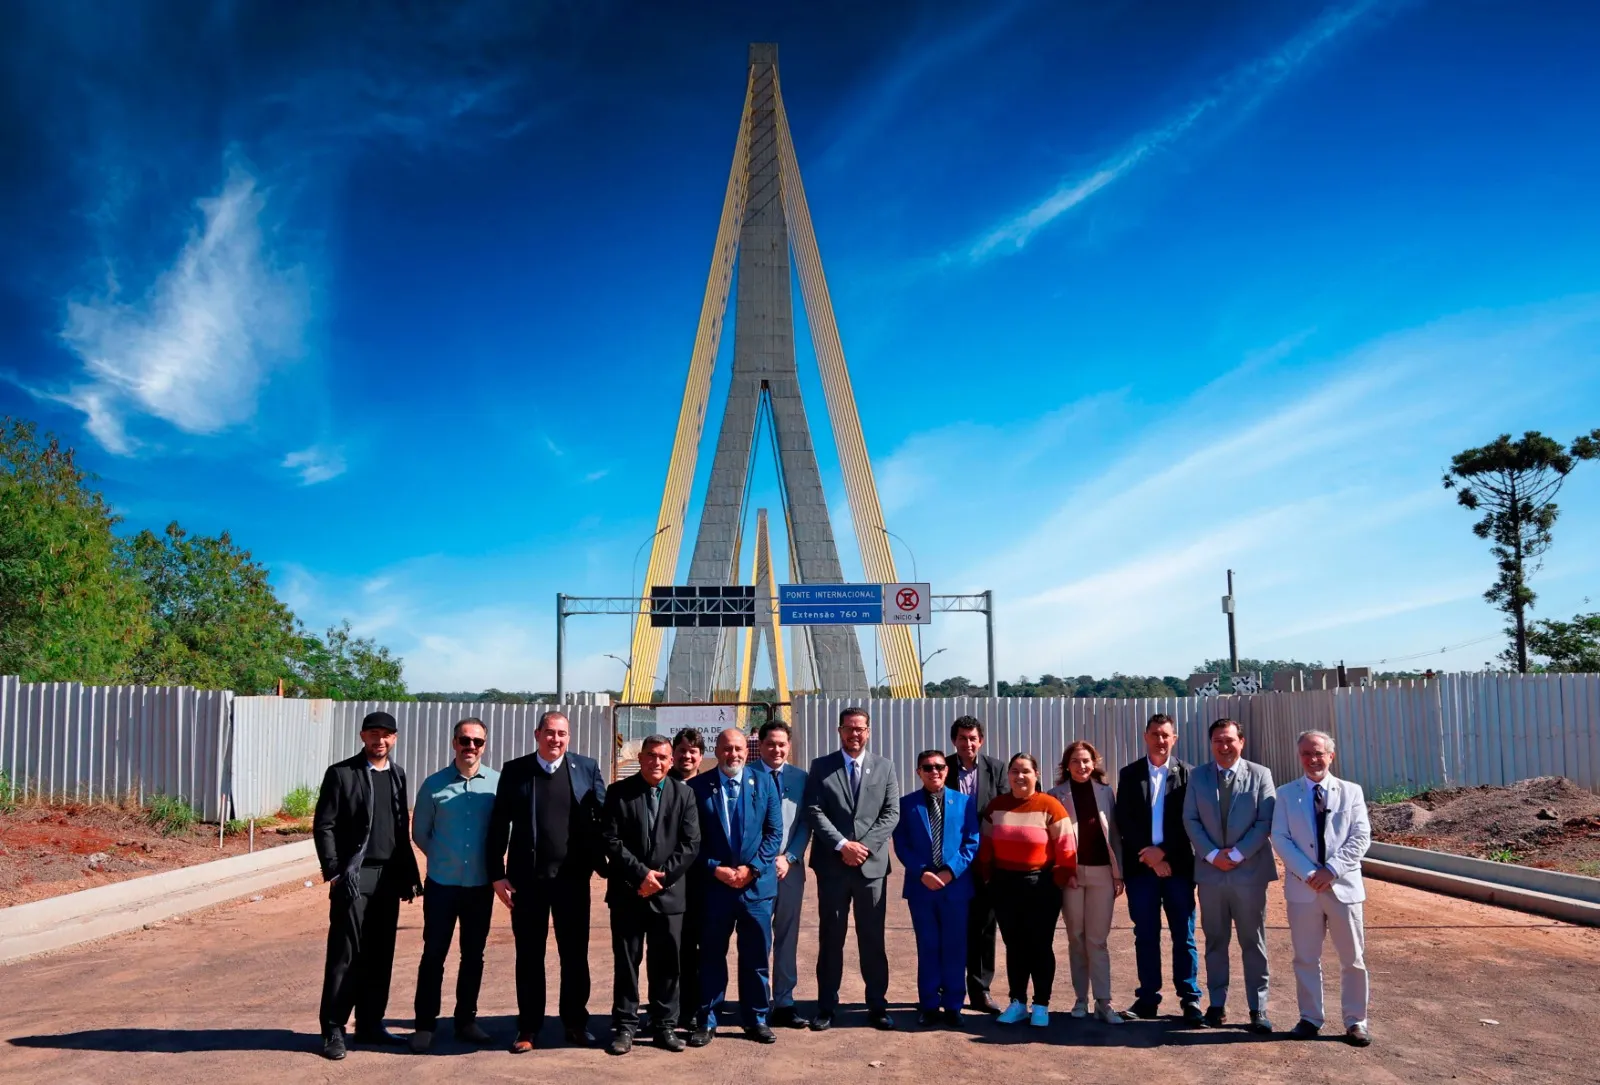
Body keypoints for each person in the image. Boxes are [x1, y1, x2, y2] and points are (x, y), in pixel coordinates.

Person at [486, 711, 609, 1053]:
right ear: (537, 734)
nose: (556, 739)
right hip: (527, 882)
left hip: (572, 881)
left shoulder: (586, 768)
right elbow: (499, 825)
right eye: (550, 733)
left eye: (563, 734)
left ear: (569, 737)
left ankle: (575, 1023)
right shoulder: (516, 771)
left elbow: (603, 818)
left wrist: (610, 863)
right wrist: (496, 873)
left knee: (574, 956)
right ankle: (528, 1028)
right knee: (529, 956)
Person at [312, 710, 424, 1060]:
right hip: (355, 876)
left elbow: (399, 830)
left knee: (380, 955)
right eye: (374, 734)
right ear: (363, 737)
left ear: (395, 738)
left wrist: (409, 875)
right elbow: (324, 825)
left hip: (389, 878)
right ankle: (333, 1029)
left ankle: (371, 1024)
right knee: (345, 954)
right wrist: (334, 871)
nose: (380, 740)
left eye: (387, 734)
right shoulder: (342, 774)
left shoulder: (398, 775)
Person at [1270, 730, 1372, 1047]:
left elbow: (1361, 837)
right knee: (1305, 958)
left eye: (1319, 753)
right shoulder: (1286, 795)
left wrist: (1332, 870)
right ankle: (1310, 1017)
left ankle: (1356, 1022)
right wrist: (1309, 873)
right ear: (1299, 756)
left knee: (1352, 959)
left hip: (1343, 887)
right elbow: (1280, 838)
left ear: (1331, 756)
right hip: (1304, 890)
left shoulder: (1351, 792)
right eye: (1306, 754)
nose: (1313, 759)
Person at [600, 734, 701, 1055]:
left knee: (668, 964)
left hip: (669, 896)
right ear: (640, 758)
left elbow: (690, 844)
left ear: (671, 762)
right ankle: (626, 1027)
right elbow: (611, 841)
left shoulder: (684, 795)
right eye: (650, 756)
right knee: (627, 963)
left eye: (662, 757)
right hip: (628, 894)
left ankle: (664, 1026)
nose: (656, 762)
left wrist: (661, 877)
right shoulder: (618, 793)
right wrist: (641, 874)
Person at [804, 706, 901, 1031]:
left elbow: (891, 813)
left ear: (868, 731)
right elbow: (814, 811)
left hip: (870, 868)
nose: (854, 734)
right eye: (848, 728)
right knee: (831, 937)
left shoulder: (885, 767)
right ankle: (826, 1007)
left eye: (860, 728)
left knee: (872, 938)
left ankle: (877, 1005)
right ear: (839, 731)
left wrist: (864, 847)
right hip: (833, 866)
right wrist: (843, 845)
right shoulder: (821, 767)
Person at [688, 728, 784, 1046]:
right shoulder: (698, 788)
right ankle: (708, 1020)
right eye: (727, 749)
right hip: (714, 889)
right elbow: (691, 840)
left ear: (748, 751)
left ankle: (756, 1018)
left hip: (755, 889)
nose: (733, 755)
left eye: (739, 749)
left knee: (756, 955)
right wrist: (715, 869)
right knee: (712, 955)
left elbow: (774, 833)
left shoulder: (765, 783)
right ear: (717, 751)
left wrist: (752, 869)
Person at [410, 717, 500, 1052]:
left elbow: (502, 831)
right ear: (454, 743)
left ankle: (466, 1021)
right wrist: (443, 857)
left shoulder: (496, 784)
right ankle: (424, 1025)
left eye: (478, 742)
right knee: (433, 954)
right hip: (442, 886)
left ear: (484, 745)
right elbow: (420, 832)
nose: (471, 747)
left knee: (473, 956)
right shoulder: (434, 785)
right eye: (465, 740)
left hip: (479, 887)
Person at [1183, 718, 1277, 1034]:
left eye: (1229, 740)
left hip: (1248, 873)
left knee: (1254, 941)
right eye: (1218, 741)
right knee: (1215, 941)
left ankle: (1258, 1009)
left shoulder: (1261, 775)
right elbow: (1191, 819)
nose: (1224, 746)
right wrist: (1212, 855)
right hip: (1211, 875)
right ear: (1211, 744)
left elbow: (1265, 821)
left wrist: (1236, 855)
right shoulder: (1198, 777)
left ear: (1242, 741)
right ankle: (1217, 1005)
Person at [1113, 713, 1202, 1024]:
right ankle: (1147, 999)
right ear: (1145, 736)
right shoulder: (1129, 774)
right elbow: (1124, 820)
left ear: (1174, 738)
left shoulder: (1190, 775)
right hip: (1141, 870)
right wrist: (1150, 857)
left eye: (1166, 735)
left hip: (1177, 869)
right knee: (1146, 935)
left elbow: (1190, 822)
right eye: (1155, 734)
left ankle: (1190, 999)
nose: (1160, 740)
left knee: (1184, 934)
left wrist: (1164, 855)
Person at [978, 752, 1076, 1028]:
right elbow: (985, 845)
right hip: (1005, 885)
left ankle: (1041, 1004)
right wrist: (987, 877)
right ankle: (1017, 1002)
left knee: (1040, 945)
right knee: (1015, 946)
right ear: (1007, 775)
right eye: (1014, 771)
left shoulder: (1050, 806)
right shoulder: (996, 806)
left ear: (1037, 775)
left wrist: (1059, 877)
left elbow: (1066, 847)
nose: (1019, 777)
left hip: (1041, 885)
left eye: (1025, 771)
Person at [891, 749, 980, 1027]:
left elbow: (971, 842)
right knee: (928, 945)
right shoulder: (907, 805)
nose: (934, 772)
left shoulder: (965, 803)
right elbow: (902, 844)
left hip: (955, 887)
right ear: (918, 772)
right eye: (927, 767)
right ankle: (929, 1004)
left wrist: (950, 871)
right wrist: (922, 872)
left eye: (939, 766)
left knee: (955, 946)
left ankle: (954, 1004)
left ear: (947, 769)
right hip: (922, 888)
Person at [1047, 740, 1125, 1024]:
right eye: (1076, 761)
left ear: (1095, 763)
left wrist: (1119, 874)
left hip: (1103, 873)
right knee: (1076, 937)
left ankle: (1103, 1002)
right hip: (1071, 874)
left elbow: (1114, 834)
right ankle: (1080, 998)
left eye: (1086, 761)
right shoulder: (1055, 795)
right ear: (1067, 766)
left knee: (1097, 940)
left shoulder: (1106, 793)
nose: (1082, 766)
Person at [947, 715, 1008, 1014]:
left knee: (984, 926)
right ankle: (949, 988)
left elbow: (1005, 810)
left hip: (986, 859)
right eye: (962, 738)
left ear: (980, 740)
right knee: (952, 925)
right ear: (954, 741)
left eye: (973, 738)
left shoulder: (996, 769)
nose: (967, 743)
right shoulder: (942, 767)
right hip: (950, 860)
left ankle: (981, 990)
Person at [756, 719, 812, 1029]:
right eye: (770, 744)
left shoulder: (801, 778)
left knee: (787, 936)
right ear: (760, 746)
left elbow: (806, 822)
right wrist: (765, 860)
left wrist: (789, 857)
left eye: (782, 744)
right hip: (758, 870)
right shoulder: (748, 777)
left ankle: (785, 1001)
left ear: (789, 746)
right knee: (758, 936)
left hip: (790, 869)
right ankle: (758, 1000)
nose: (776, 749)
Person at [668, 728, 707, 1020]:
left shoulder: (708, 787)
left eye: (692, 751)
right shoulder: (662, 786)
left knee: (702, 946)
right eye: (681, 750)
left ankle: (698, 1006)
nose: (687, 756)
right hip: (670, 880)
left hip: (703, 879)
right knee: (673, 946)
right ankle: (672, 1007)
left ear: (701, 756)